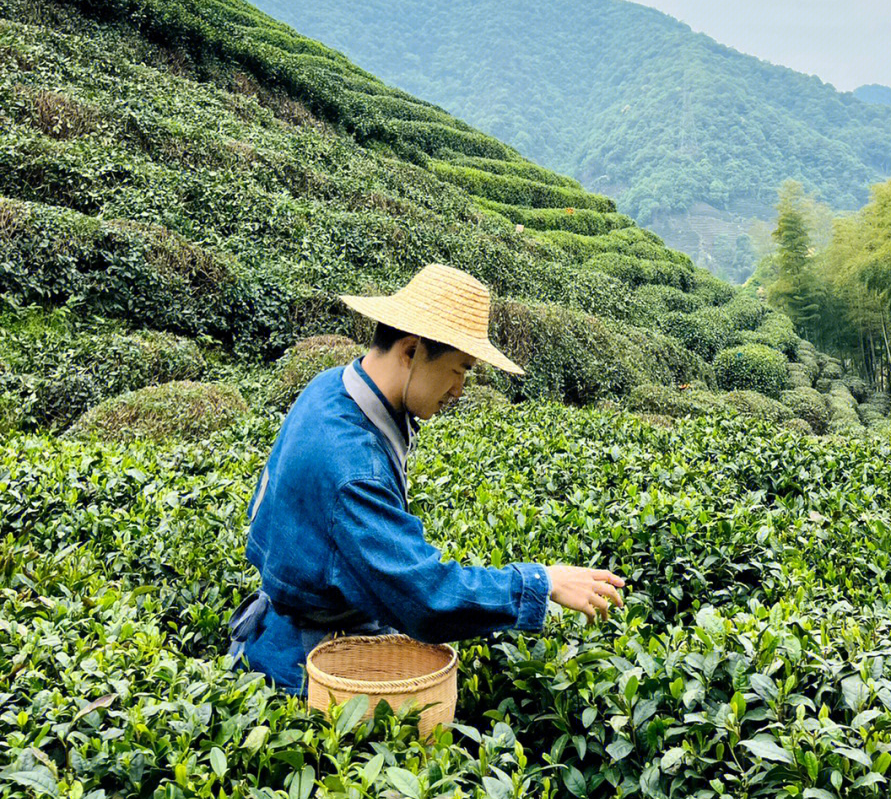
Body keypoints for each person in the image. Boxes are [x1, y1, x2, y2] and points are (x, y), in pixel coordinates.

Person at [227, 262, 625, 696]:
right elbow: (425, 600)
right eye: (459, 369)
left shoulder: (330, 387)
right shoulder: (354, 469)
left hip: (279, 631)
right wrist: (541, 581)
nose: (459, 390)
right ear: (412, 350)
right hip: (305, 668)